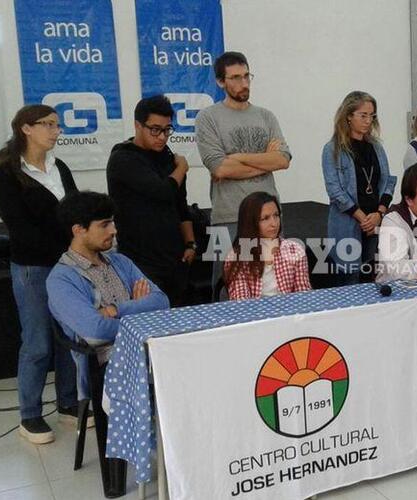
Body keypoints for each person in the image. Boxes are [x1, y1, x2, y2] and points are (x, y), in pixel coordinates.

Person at [0, 104, 79, 444]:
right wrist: (68, 249)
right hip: (33, 268)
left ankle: (69, 404)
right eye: (49, 125)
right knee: (38, 341)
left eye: (58, 125)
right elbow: (20, 228)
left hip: (69, 265)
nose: (56, 131)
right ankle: (30, 414)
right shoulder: (5, 173)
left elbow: (72, 212)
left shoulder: (60, 167)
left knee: (69, 338)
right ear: (26, 128)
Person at [47, 191, 169, 400]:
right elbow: (95, 331)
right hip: (109, 363)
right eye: (104, 225)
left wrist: (117, 310)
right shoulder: (61, 279)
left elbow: (161, 301)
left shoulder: (120, 262)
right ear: (79, 230)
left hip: (150, 350)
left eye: (112, 223)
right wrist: (141, 312)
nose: (114, 230)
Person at [195, 51, 292, 292]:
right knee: (228, 286)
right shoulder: (208, 118)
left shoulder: (265, 116)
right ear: (220, 82)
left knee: (274, 282)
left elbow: (282, 160)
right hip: (229, 215)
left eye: (247, 76)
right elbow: (220, 167)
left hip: (269, 215)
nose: (244, 83)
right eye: (236, 77)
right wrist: (263, 160)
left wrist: (238, 158)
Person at [106, 95, 195, 306]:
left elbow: (180, 205)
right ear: (138, 125)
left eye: (167, 130)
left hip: (174, 257)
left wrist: (190, 243)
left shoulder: (168, 157)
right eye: (155, 129)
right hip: (140, 260)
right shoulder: (123, 158)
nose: (162, 137)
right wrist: (182, 167)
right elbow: (162, 191)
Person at [321, 91, 396, 285]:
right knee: (349, 279)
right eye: (363, 115)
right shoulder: (332, 149)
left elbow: (388, 181)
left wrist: (379, 214)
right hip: (349, 224)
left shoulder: (376, 147)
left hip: (375, 222)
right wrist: (363, 218)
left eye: (372, 116)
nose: (368, 120)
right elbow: (335, 190)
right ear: (348, 115)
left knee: (373, 277)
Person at [223, 192, 311, 300]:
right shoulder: (236, 256)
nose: (274, 223)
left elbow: (303, 295)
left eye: (276, 215)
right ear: (250, 222)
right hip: (254, 315)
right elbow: (241, 302)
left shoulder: (295, 250)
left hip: (290, 314)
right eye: (265, 218)